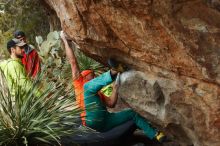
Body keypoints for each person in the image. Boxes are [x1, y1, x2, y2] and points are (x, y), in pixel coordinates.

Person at [60, 31, 166, 143]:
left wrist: (116, 87)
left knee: (132, 114)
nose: (94, 77)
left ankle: (156, 135)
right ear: (84, 76)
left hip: (104, 123)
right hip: (90, 120)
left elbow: (111, 103)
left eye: (94, 76)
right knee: (88, 87)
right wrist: (65, 41)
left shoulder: (98, 95)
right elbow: (72, 62)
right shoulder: (80, 83)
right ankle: (114, 70)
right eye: (91, 76)